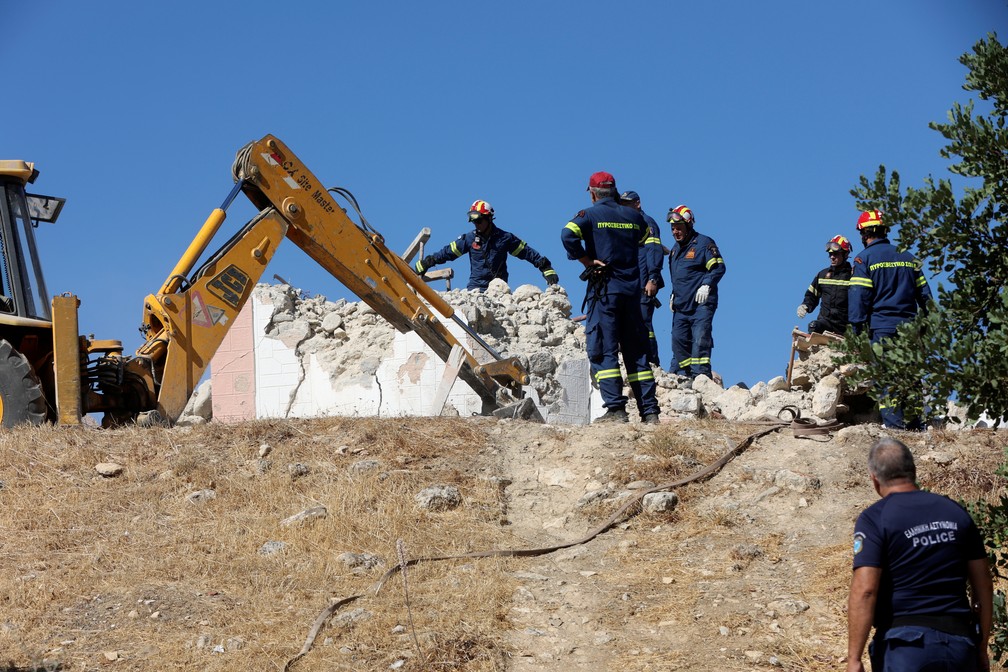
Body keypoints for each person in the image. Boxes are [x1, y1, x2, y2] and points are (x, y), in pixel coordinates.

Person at [847, 437, 992, 672]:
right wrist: (982, 647)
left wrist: (853, 658)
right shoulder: (955, 512)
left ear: (874, 478)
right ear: (913, 471)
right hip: (959, 646)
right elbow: (983, 584)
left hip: (904, 649)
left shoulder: (875, 518)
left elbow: (866, 589)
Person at [561, 172, 660, 424]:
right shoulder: (634, 217)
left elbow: (567, 234)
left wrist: (586, 260)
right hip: (632, 294)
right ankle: (649, 412)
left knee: (604, 349)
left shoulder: (590, 215)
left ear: (593, 193)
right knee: (636, 352)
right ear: (615, 191)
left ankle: (616, 409)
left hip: (604, 293)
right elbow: (645, 236)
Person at [848, 210, 932, 429]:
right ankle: (916, 428)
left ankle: (896, 431)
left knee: (886, 380)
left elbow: (859, 297)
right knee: (911, 379)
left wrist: (856, 331)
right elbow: (925, 296)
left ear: (864, 233)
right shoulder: (908, 257)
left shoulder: (863, 259)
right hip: (911, 330)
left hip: (882, 329)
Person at [415, 200, 558, 291]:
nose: (476, 224)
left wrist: (545, 267)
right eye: (473, 221)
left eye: (479, 221)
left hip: (499, 290)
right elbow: (448, 252)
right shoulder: (470, 238)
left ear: (489, 218)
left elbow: (527, 253)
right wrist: (429, 261)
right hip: (476, 290)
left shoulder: (505, 238)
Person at [666, 205, 725, 379]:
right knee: (678, 340)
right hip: (681, 305)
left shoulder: (704, 243)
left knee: (700, 338)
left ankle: (700, 377)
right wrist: (673, 295)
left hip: (701, 304)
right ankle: (683, 375)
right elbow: (677, 277)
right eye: (673, 229)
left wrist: (707, 284)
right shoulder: (675, 251)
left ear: (689, 225)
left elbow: (718, 267)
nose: (675, 232)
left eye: (679, 228)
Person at [620, 190, 664, 366]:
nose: (624, 208)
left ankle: (652, 362)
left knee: (644, 324)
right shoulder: (627, 224)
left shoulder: (647, 223)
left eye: (628, 204)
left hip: (644, 283)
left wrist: (653, 278)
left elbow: (654, 251)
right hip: (630, 283)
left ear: (637, 204)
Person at [796, 235, 853, 334]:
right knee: (814, 326)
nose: (832, 257)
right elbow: (812, 295)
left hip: (846, 325)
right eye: (830, 254)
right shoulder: (822, 275)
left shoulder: (854, 276)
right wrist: (805, 305)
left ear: (846, 254)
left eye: (836, 254)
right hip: (826, 322)